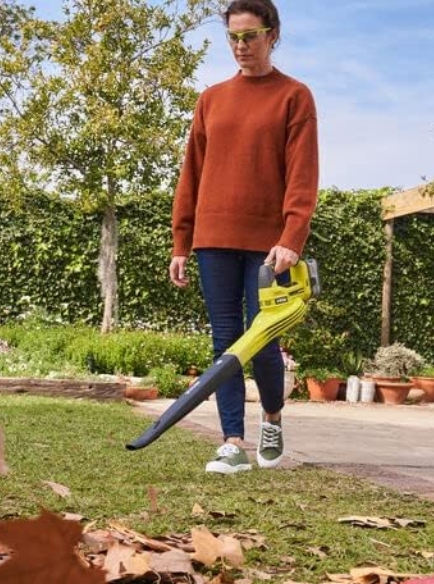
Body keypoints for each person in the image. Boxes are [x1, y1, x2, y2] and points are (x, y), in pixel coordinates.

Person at [169, 0, 319, 474]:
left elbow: (302, 175)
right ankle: (232, 439)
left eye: (251, 36)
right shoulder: (211, 99)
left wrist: (292, 235)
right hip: (214, 237)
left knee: (264, 340)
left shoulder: (294, 96)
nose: (241, 46)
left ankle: (271, 419)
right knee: (226, 340)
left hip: (268, 244)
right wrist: (181, 241)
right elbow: (190, 172)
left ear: (272, 35)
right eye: (233, 37)